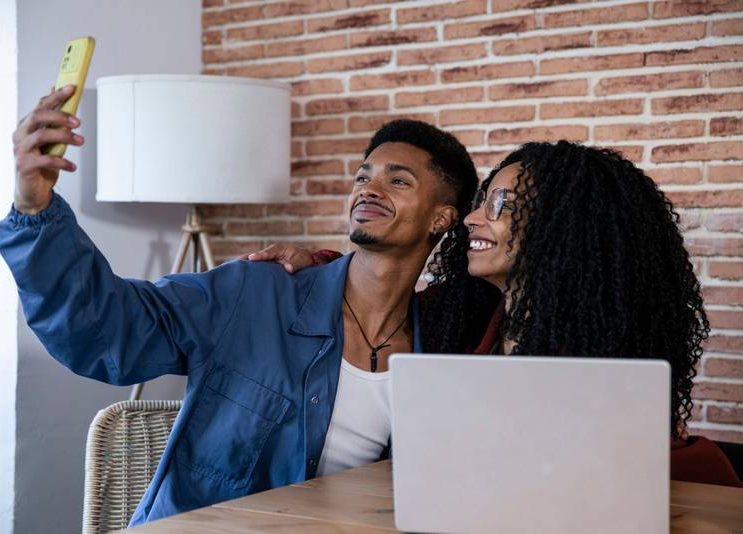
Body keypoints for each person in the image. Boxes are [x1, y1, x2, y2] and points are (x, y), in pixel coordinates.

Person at [0, 85, 480, 525]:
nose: (368, 189)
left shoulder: (438, 346)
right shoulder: (254, 291)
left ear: (442, 217)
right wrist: (34, 210)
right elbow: (108, 330)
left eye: (398, 182)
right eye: (362, 176)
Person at [250, 141, 742, 487]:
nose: (470, 218)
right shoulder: (460, 319)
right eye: (482, 201)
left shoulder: (604, 343)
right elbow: (373, 295)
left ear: (561, 226)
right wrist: (314, 262)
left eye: (500, 204)